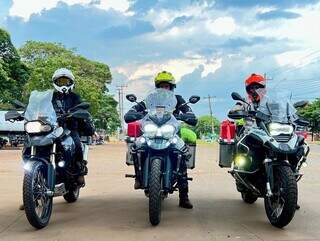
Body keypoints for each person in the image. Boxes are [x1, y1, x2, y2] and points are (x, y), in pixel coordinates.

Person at [124, 71, 197, 209]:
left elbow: (188, 110)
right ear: (157, 86)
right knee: (136, 147)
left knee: (180, 154)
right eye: (161, 85)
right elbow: (136, 108)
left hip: (171, 130)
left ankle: (184, 196)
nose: (164, 88)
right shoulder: (149, 99)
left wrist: (188, 115)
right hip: (152, 129)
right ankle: (139, 177)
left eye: (167, 86)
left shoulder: (178, 99)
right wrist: (134, 112)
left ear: (171, 87)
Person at [51, 68, 89, 185]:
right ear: (55, 82)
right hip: (52, 128)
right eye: (60, 81)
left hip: (69, 128)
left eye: (65, 82)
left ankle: (80, 171)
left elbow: (81, 107)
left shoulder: (74, 97)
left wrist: (73, 113)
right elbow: (40, 107)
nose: (63, 84)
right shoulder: (50, 96)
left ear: (71, 83)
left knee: (77, 144)